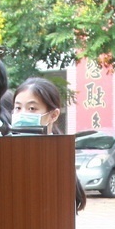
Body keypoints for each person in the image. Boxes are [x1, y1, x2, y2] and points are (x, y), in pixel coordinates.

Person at [11, 76, 87, 213]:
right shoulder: (6, 151)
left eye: (32, 108)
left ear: (54, 115)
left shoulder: (60, 153)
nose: (22, 114)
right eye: (17, 108)